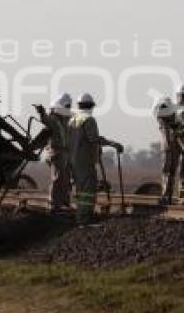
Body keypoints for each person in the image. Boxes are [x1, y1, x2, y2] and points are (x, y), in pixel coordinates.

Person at [67, 93, 123, 224]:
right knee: (88, 191)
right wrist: (113, 144)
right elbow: (93, 138)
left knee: (80, 191)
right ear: (91, 106)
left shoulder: (72, 120)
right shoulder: (88, 119)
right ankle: (85, 219)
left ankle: (80, 217)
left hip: (73, 161)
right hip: (85, 161)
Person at [35, 93, 73, 212]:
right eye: (66, 106)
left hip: (65, 152)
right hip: (55, 152)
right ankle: (53, 204)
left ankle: (65, 202)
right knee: (58, 178)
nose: (68, 107)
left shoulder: (67, 119)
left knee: (66, 178)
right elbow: (45, 120)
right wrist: (41, 112)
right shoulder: (54, 119)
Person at [153, 97, 180, 205]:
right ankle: (166, 195)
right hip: (167, 147)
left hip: (175, 146)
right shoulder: (160, 116)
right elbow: (165, 133)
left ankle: (168, 195)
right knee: (166, 170)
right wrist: (168, 146)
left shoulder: (175, 115)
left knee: (172, 170)